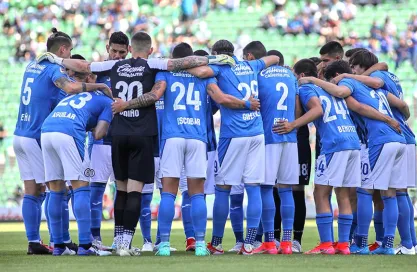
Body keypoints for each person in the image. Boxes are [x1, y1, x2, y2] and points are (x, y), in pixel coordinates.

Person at [39, 31, 236, 256]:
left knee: (122, 191)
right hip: (152, 135)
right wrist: (215, 59)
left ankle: (127, 242)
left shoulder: (111, 66)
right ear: (150, 50)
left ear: (130, 49)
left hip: (119, 134)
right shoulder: (156, 66)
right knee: (151, 192)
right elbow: (181, 70)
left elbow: (85, 67)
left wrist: (56, 59)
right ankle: (190, 242)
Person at [113, 42, 259, 257]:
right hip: (197, 138)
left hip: (173, 137)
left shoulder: (164, 73)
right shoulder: (204, 76)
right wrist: (247, 104)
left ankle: (163, 244)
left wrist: (126, 104)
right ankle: (200, 244)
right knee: (197, 194)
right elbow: (220, 99)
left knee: (168, 194)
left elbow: (153, 96)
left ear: (174, 58)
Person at [14, 28, 110, 255]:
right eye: (70, 53)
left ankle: (42, 242)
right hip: (37, 133)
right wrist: (99, 87)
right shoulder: (54, 71)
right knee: (61, 188)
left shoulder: (32, 66)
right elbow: (69, 87)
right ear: (64, 50)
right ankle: (75, 243)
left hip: (21, 132)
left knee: (35, 189)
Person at [304, 60, 407, 255]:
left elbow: (355, 105)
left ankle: (357, 242)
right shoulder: (374, 88)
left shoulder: (347, 85)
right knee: (389, 193)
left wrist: (316, 80)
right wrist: (398, 121)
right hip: (399, 138)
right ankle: (388, 244)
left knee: (363, 192)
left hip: (378, 139)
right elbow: (403, 104)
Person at [187, 39, 279, 255]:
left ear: (217, 54)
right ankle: (249, 244)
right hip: (257, 133)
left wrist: (211, 60)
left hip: (234, 134)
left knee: (223, 188)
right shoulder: (251, 65)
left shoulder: (219, 67)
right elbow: (274, 58)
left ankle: (217, 243)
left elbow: (202, 75)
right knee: (253, 187)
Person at [335, 50, 417, 255]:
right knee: (396, 192)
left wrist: (346, 76)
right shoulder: (384, 81)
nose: (351, 69)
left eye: (353, 65)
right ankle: (406, 244)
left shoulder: (367, 80)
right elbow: (403, 105)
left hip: (383, 138)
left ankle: (362, 243)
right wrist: (401, 121)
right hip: (403, 137)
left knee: (366, 189)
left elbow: (362, 101)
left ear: (361, 66)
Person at [276, 58, 361, 255]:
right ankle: (343, 245)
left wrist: (293, 124)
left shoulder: (307, 88)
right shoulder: (331, 88)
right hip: (352, 140)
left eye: (295, 77)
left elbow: (317, 110)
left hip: (335, 143)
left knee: (321, 193)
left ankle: (326, 244)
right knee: (343, 193)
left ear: (302, 76)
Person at [41, 59, 113, 256]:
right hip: (69, 132)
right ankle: (85, 246)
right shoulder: (107, 101)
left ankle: (58, 246)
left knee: (55, 188)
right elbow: (98, 134)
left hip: (47, 130)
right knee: (81, 186)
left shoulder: (69, 96)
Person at [242, 44, 298, 255]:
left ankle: (270, 242)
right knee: (285, 190)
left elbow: (255, 104)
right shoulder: (291, 76)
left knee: (265, 189)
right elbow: (298, 106)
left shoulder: (260, 75)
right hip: (289, 136)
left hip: (269, 135)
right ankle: (286, 243)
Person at [88, 31, 130, 250]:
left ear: (129, 51)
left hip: (124, 139)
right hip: (99, 141)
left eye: (122, 52)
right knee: (95, 190)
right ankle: (94, 238)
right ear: (107, 48)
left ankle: (119, 238)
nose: (117, 56)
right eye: (114, 51)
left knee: (121, 192)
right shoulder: (97, 72)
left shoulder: (133, 74)